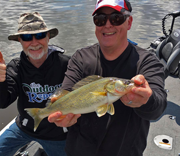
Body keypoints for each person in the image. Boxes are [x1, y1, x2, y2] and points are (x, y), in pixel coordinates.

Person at [48, 0, 167, 156]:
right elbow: (67, 91)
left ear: (129, 22)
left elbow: (158, 106)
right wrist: (60, 113)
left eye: (116, 18)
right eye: (100, 19)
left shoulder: (147, 62)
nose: (107, 24)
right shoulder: (81, 58)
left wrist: (146, 100)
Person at [0, 12, 70, 156]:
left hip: (57, 134)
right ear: (20, 40)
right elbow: (0, 103)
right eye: (26, 37)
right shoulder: (15, 67)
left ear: (48, 37)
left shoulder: (67, 64)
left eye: (40, 35)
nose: (34, 42)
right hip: (24, 127)